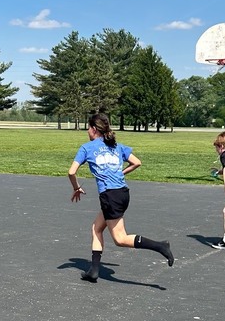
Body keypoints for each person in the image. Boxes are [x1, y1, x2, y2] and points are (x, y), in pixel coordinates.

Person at [68, 112, 173, 282]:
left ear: (94, 129)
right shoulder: (117, 145)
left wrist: (76, 187)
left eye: (88, 128)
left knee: (120, 239)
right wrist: (120, 173)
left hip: (110, 196)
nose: (87, 131)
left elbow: (71, 172)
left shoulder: (87, 148)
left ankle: (161, 246)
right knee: (96, 228)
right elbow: (137, 162)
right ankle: (93, 271)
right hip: (123, 193)